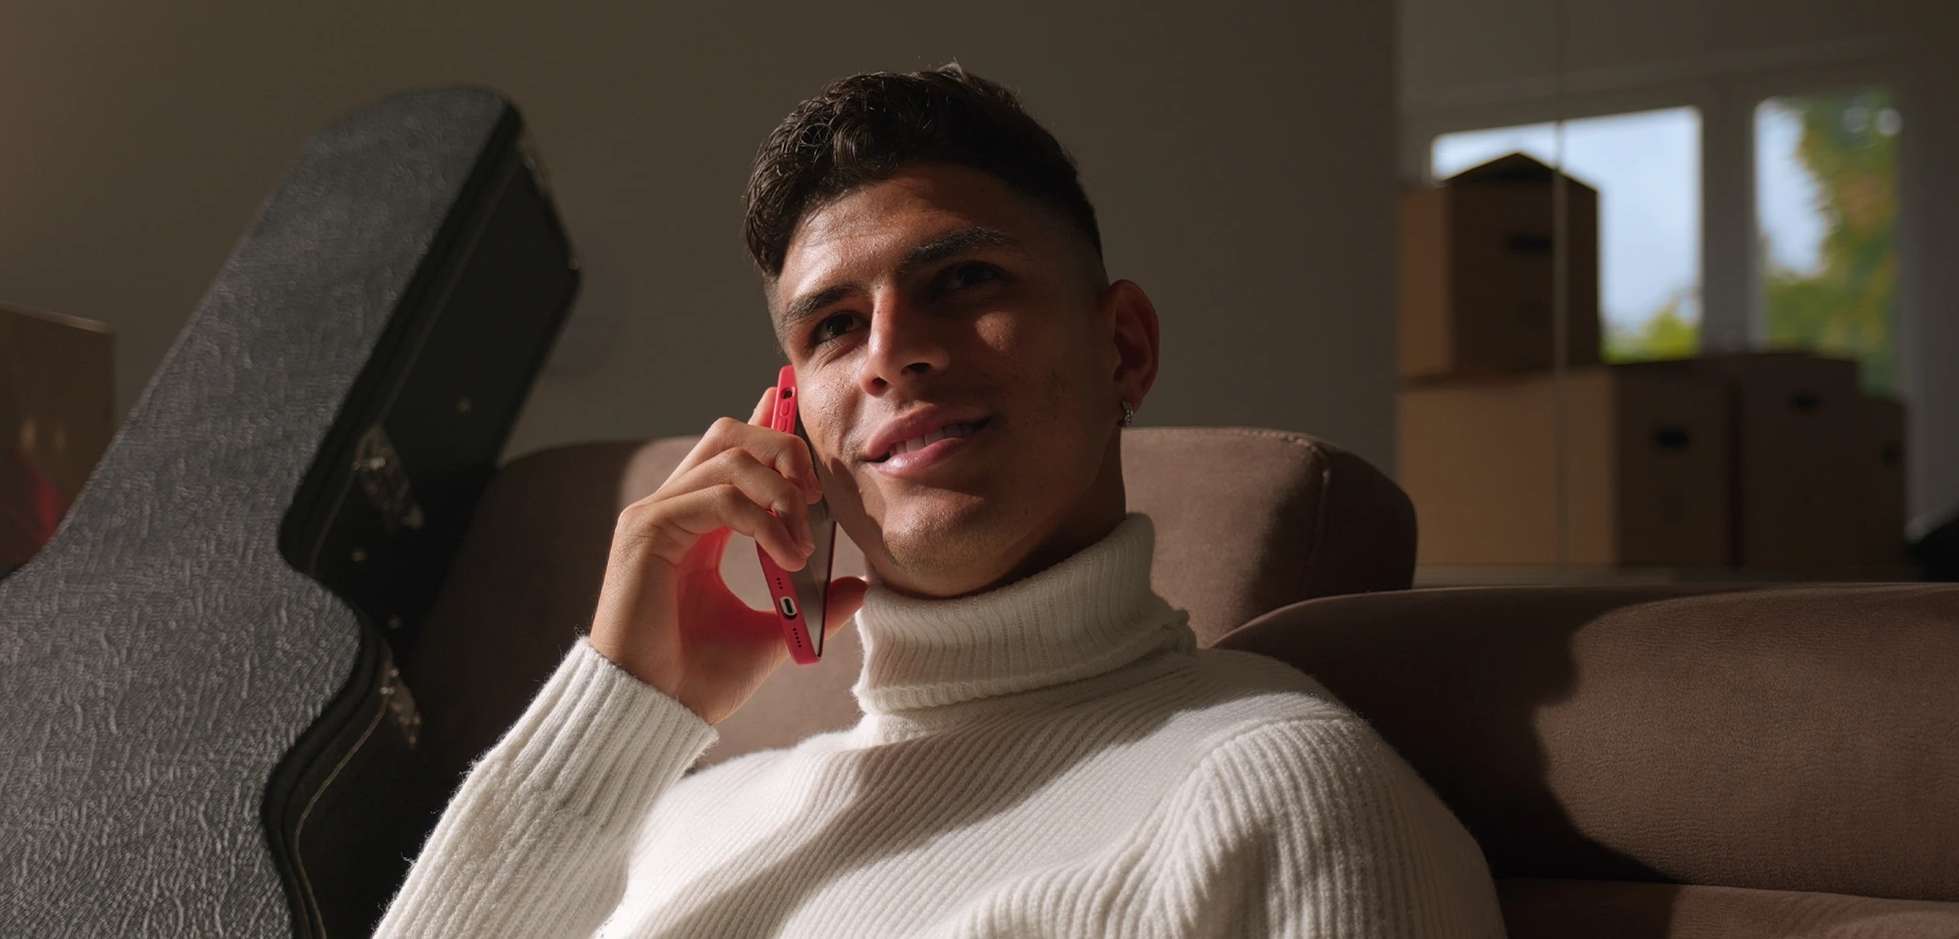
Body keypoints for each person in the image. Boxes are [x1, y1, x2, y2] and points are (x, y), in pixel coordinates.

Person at [373, 66, 1505, 938]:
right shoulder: (693, 817)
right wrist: (622, 709)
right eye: (829, 328)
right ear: (792, 423)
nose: (891, 355)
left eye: (961, 282)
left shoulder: (1275, 787)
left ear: (1122, 346)